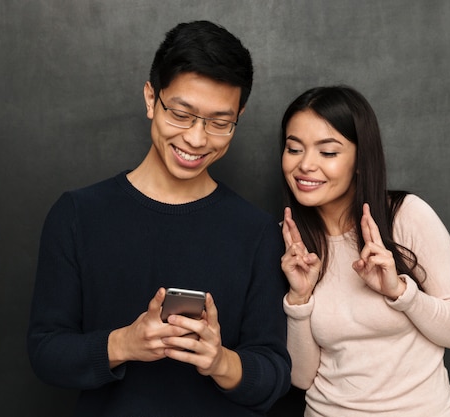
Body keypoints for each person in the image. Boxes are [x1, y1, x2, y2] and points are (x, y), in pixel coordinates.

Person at [27, 20, 291, 416]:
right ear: (151, 98)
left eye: (220, 123)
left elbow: (273, 374)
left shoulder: (254, 232)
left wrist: (220, 362)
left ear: (239, 115)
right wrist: (124, 344)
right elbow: (46, 351)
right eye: (182, 114)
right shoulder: (79, 214)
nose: (197, 139)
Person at [279, 85, 450, 416]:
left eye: (328, 152)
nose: (305, 165)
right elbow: (301, 378)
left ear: (360, 160)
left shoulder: (405, 216)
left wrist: (402, 292)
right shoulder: (292, 244)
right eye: (294, 149)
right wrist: (299, 300)